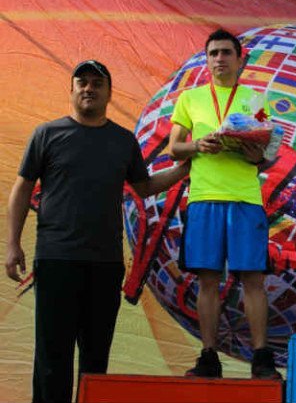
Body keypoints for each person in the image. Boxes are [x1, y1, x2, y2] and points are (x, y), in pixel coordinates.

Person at [4, 60, 190, 403]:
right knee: (52, 356)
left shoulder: (122, 140)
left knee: (95, 358)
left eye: (96, 83)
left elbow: (145, 186)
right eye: (82, 82)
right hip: (56, 258)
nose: (89, 88)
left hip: (104, 263)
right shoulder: (47, 134)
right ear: (72, 90)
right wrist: (13, 244)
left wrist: (185, 167)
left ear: (108, 92)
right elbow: (21, 189)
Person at [169, 29, 280, 379]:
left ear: (240, 59)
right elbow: (175, 148)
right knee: (207, 281)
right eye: (213, 53)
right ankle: (208, 356)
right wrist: (198, 145)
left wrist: (255, 153)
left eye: (226, 53)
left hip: (246, 199)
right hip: (204, 198)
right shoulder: (190, 99)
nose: (220, 59)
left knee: (252, 280)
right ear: (206, 60)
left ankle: (262, 358)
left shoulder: (256, 99)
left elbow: (268, 154)